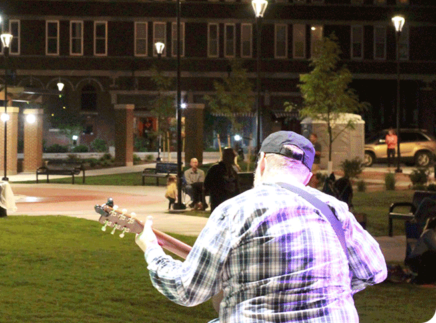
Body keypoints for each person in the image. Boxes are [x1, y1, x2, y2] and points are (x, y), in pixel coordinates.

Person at [135, 131, 386, 322]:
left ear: (262, 162)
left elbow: (186, 290)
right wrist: (324, 290)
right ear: (307, 177)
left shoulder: (234, 211)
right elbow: (375, 271)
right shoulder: (334, 210)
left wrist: (152, 251)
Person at [204, 148, 239, 212]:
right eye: (232, 156)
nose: (234, 158)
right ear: (226, 156)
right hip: (218, 201)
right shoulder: (215, 169)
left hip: (230, 202)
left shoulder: (233, 170)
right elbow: (207, 184)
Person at [405, 217, 436, 284]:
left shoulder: (431, 234)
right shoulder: (429, 233)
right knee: (431, 255)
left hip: (419, 259)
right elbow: (434, 247)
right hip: (416, 260)